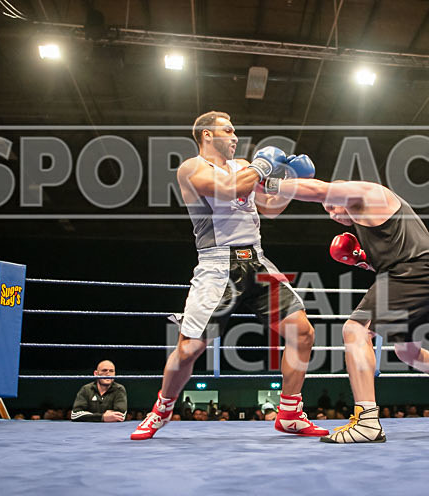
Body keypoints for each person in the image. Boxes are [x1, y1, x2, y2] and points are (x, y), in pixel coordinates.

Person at [131, 111, 327, 440]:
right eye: (228, 129)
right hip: (217, 265)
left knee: (303, 333)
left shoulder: (244, 167)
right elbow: (226, 190)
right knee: (190, 348)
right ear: (207, 135)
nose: (235, 136)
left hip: (257, 261)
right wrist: (263, 166)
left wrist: (290, 179)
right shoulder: (192, 168)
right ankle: (161, 409)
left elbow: (270, 207)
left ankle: (290, 413)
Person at [269, 177, 429, 443]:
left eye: (332, 205)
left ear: (344, 191)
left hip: (414, 274)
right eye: (328, 212)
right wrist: (363, 262)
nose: (332, 214)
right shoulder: (367, 218)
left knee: (355, 329)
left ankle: (367, 422)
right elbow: (390, 258)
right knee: (408, 351)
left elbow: (318, 190)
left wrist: (268, 183)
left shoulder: (366, 193)